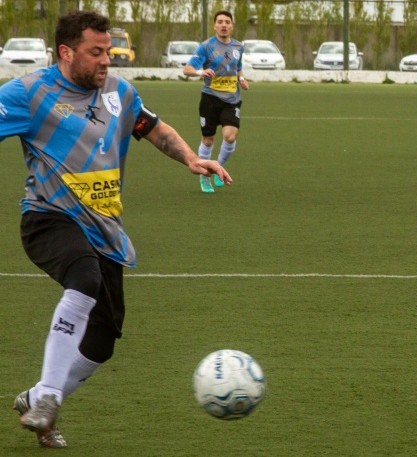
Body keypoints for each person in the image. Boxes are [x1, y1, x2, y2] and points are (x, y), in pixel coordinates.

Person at [1, 11, 231, 448]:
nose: (107, 60)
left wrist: (191, 159)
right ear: (66, 52)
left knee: (104, 339)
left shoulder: (119, 93)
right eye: (96, 52)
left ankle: (34, 398)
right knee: (83, 278)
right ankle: (49, 398)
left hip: (104, 228)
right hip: (49, 217)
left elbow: (152, 128)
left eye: (109, 51)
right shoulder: (29, 93)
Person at [183, 10, 249, 193]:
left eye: (227, 22)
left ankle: (217, 168)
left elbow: (238, 67)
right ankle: (205, 177)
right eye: (220, 21)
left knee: (230, 136)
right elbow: (187, 69)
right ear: (214, 25)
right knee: (208, 139)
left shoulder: (238, 47)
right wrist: (199, 72)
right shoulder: (206, 47)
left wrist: (242, 79)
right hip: (210, 99)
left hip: (232, 100)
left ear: (232, 25)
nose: (224, 25)